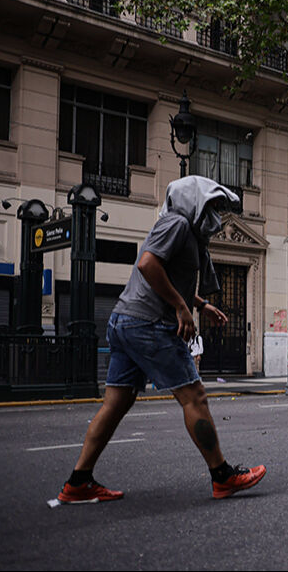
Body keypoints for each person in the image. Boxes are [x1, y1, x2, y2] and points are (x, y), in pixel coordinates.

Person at [57, 176, 266, 503]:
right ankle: (222, 476)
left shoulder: (182, 229)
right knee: (194, 396)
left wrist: (201, 304)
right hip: (148, 324)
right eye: (210, 205)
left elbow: (166, 274)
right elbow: (147, 264)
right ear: (193, 201)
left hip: (125, 321)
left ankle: (78, 482)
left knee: (117, 403)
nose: (214, 214)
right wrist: (181, 307)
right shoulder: (178, 224)